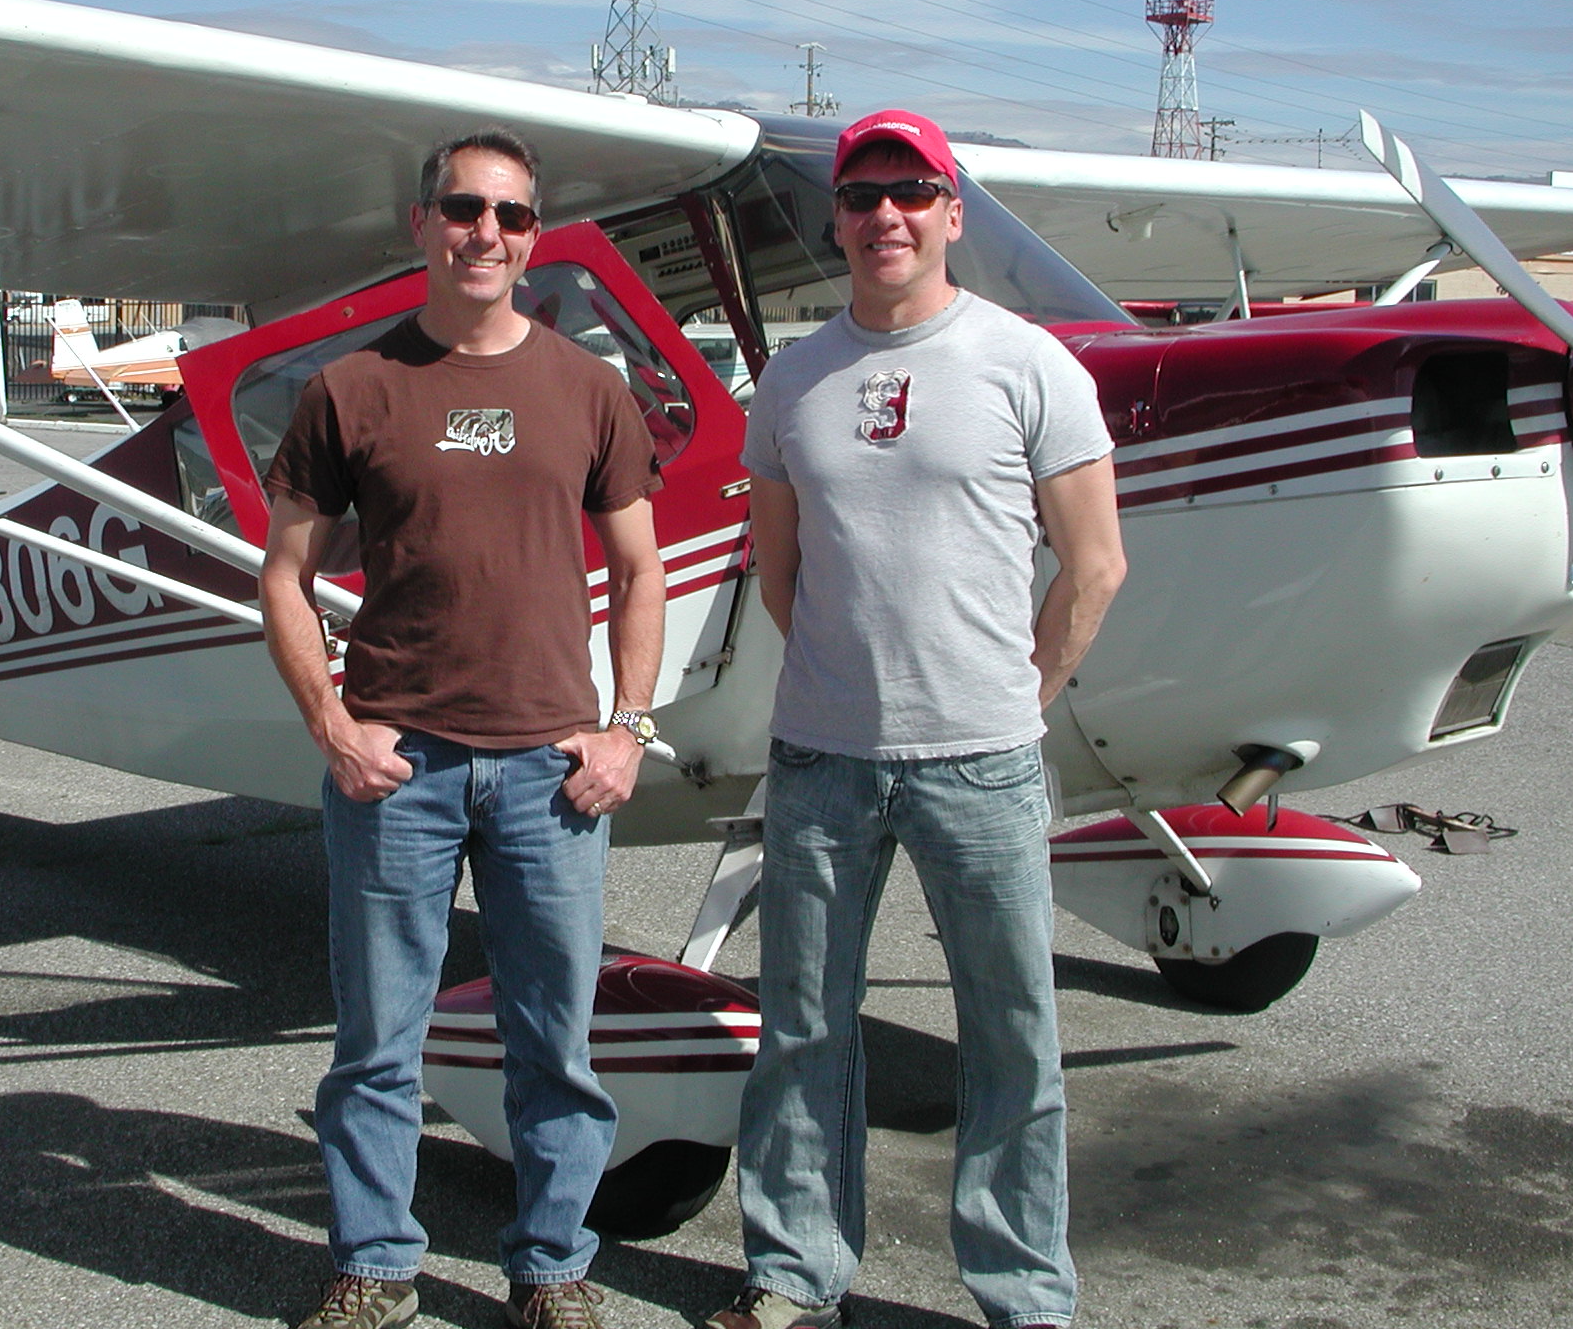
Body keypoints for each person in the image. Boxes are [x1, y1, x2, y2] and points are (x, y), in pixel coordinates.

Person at [709, 110, 1126, 1329]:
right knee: (799, 1028)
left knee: (1010, 1038)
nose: (882, 213)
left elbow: (1092, 566)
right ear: (833, 219)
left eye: (910, 190)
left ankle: (1021, 1293)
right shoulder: (792, 377)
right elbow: (780, 575)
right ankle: (793, 1271)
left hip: (983, 762)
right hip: (822, 759)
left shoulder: (1027, 362)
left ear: (951, 211)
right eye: (859, 194)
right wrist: (854, 681)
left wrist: (1014, 696)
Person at [262, 127, 667, 1329]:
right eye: (461, 209)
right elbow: (284, 577)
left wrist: (627, 728)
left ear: (533, 235)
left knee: (556, 1047)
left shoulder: (588, 389)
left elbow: (639, 571)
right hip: (400, 769)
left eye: (511, 215)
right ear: (420, 223)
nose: (484, 233)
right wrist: (333, 726)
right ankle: (376, 1265)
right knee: (376, 1046)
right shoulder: (352, 389)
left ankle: (551, 1271)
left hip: (551, 773)